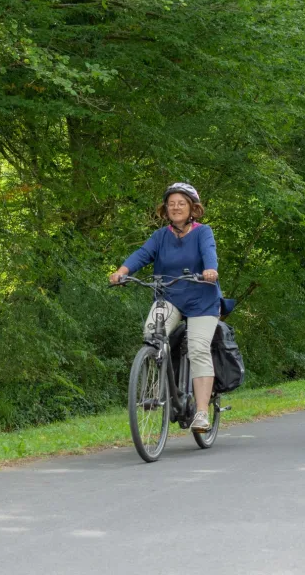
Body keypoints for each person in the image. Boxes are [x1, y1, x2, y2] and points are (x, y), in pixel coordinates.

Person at [109, 182, 222, 432]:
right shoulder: (160, 236)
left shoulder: (203, 232)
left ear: (193, 208)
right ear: (165, 209)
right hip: (169, 297)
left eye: (181, 203)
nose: (176, 207)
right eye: (171, 204)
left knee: (198, 347)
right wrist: (122, 272)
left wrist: (210, 270)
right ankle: (158, 387)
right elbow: (141, 254)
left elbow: (209, 252)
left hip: (202, 300)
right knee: (152, 334)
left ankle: (201, 412)